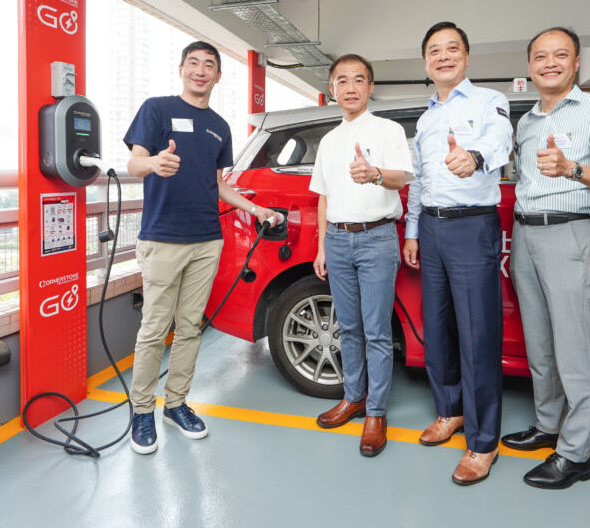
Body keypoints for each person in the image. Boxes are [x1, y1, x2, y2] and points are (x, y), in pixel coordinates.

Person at [123, 41, 279, 455]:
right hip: (162, 237)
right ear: (181, 69)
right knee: (155, 329)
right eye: (193, 63)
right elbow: (134, 163)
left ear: (218, 76)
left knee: (191, 327)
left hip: (207, 240)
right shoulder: (156, 110)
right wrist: (154, 163)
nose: (200, 70)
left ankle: (175, 403)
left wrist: (255, 208)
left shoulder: (219, 127)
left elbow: (218, 184)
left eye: (209, 65)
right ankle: (142, 410)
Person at [501, 26, 590, 489]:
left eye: (560, 55)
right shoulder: (528, 122)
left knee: (573, 347)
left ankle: (575, 454)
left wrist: (571, 168)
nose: (549, 63)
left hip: (567, 233)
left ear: (576, 63)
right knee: (539, 342)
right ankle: (547, 425)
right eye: (540, 56)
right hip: (525, 234)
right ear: (529, 66)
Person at [402, 22, 514, 485]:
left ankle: (483, 441)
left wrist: (475, 156)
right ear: (426, 63)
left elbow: (501, 139)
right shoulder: (426, 119)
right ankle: (450, 410)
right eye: (434, 51)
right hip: (431, 227)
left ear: (466, 57)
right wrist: (413, 231)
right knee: (438, 326)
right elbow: (418, 180)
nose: (443, 56)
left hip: (472, 226)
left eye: (452, 49)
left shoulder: (490, 101)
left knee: (477, 333)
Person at [309, 54, 413, 457]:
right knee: (348, 328)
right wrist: (321, 245)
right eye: (342, 80)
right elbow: (323, 197)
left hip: (376, 239)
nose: (350, 87)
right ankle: (353, 397)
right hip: (337, 239)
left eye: (358, 80)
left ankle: (376, 412)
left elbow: (402, 177)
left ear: (370, 87)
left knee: (377, 331)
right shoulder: (329, 141)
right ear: (332, 89)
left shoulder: (388, 130)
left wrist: (375, 174)